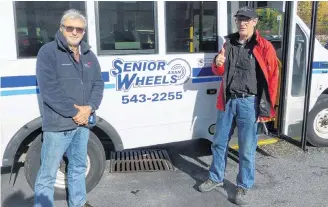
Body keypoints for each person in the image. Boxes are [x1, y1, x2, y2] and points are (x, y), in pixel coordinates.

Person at [198, 6, 279, 205]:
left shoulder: (264, 46)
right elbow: (218, 71)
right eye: (239, 19)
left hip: (249, 103)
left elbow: (273, 79)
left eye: (246, 19)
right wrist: (217, 63)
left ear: (254, 22)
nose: (242, 23)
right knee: (218, 143)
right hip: (227, 101)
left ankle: (243, 186)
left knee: (247, 147)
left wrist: (266, 109)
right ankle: (216, 178)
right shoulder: (229, 43)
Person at [34, 9, 104, 207]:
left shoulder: (89, 55)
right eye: (70, 28)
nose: (75, 32)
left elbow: (98, 84)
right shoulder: (48, 52)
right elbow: (50, 91)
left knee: (78, 167)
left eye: (79, 29)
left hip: (83, 125)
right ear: (61, 28)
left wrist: (89, 107)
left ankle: (78, 203)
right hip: (58, 125)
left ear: (84, 32)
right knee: (48, 173)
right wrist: (77, 113)